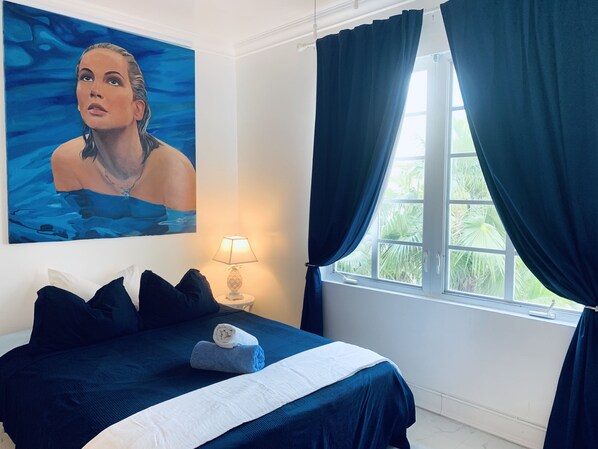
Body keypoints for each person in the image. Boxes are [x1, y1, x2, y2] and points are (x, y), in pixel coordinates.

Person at [51, 42, 195, 211]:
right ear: (78, 102)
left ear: (138, 109)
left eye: (113, 81)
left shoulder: (175, 170)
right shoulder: (66, 161)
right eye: (86, 78)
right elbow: (76, 224)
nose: (94, 90)